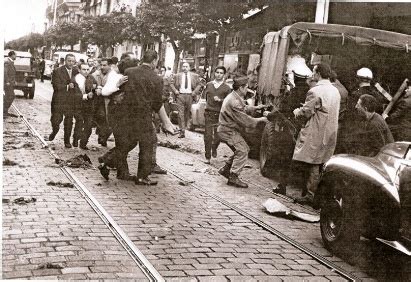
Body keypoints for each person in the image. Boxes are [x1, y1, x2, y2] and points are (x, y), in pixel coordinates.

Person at [292, 63, 340, 202]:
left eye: (313, 71)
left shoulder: (315, 91)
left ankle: (310, 195)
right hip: (330, 132)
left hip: (317, 132)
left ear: (318, 73)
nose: (312, 74)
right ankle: (317, 194)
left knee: (313, 162)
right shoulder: (335, 91)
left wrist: (297, 112)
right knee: (321, 162)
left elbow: (305, 112)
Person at [217, 76, 268, 188]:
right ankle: (233, 176)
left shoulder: (234, 97)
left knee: (242, 149)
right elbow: (246, 120)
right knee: (243, 151)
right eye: (246, 88)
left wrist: (256, 107)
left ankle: (226, 169)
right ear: (240, 88)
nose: (247, 90)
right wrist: (261, 119)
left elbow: (243, 107)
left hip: (227, 130)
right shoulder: (234, 101)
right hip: (227, 131)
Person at [49, 54, 81, 148]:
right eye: (69, 61)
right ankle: (55, 130)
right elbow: (56, 86)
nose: (71, 63)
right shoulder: (57, 71)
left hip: (70, 101)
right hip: (59, 100)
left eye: (73, 61)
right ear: (65, 61)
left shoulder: (76, 71)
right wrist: (67, 86)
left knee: (69, 121)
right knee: (56, 120)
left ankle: (67, 141)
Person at [203, 66, 231, 164]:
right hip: (209, 113)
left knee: (218, 136)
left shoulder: (227, 88)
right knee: (208, 136)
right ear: (214, 73)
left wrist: (220, 100)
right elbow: (206, 98)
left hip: (220, 115)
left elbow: (228, 102)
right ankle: (207, 157)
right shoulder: (209, 85)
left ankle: (214, 147)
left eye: (221, 73)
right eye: (217, 72)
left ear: (224, 75)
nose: (218, 74)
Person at [170, 62, 202, 138]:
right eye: (183, 66)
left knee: (187, 113)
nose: (185, 68)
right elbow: (171, 83)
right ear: (182, 67)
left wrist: (194, 92)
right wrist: (175, 91)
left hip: (190, 95)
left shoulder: (195, 76)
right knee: (180, 113)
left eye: (186, 66)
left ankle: (184, 127)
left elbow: (200, 84)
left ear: (189, 67)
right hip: (180, 95)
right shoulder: (177, 76)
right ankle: (182, 131)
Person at [74, 63, 97, 150]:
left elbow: (96, 86)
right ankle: (76, 139)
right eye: (84, 69)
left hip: (89, 105)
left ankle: (83, 142)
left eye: (88, 69)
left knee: (89, 124)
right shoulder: (76, 79)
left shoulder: (91, 78)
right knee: (79, 122)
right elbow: (75, 94)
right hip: (78, 104)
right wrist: (86, 96)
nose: (86, 71)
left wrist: (97, 89)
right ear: (79, 70)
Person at [92, 58, 113, 146]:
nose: (102, 67)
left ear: (109, 66)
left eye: (104, 65)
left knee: (109, 120)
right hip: (98, 100)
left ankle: (104, 136)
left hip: (109, 100)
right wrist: (96, 88)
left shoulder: (113, 75)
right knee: (100, 117)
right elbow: (90, 83)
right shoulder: (96, 74)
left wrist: (103, 89)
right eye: (101, 65)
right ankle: (101, 135)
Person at [4, 50, 17, 117]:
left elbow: (12, 73)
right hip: (8, 83)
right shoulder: (7, 62)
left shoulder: (10, 62)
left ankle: (5, 111)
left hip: (10, 83)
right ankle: (4, 111)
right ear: (12, 55)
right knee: (10, 96)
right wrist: (7, 81)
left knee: (8, 96)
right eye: (15, 55)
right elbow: (5, 73)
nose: (16, 56)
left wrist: (14, 81)